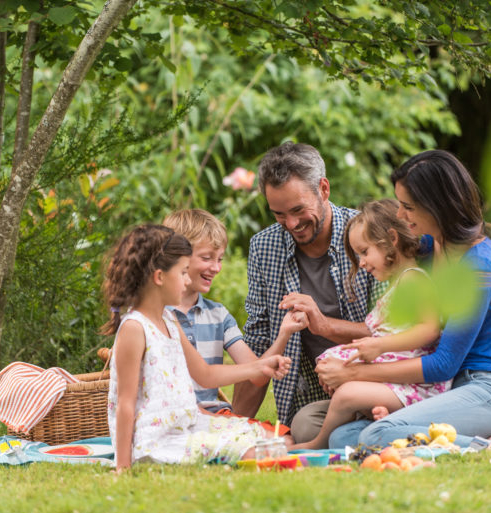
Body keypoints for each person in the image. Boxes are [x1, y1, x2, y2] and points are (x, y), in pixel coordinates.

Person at [314, 149, 491, 449]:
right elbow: (381, 250)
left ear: (437, 206)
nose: (401, 215)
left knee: (375, 435)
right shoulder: (428, 249)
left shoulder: (480, 265)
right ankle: (477, 440)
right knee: (343, 437)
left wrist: (354, 373)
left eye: (408, 207)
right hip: (449, 391)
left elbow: (443, 364)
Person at [102, 224, 293, 472]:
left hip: (186, 425)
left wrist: (261, 365)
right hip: (155, 442)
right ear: (159, 277)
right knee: (255, 452)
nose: (187, 280)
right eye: (183, 273)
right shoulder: (135, 328)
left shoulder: (169, 321)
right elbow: (125, 403)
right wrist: (123, 466)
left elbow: (206, 374)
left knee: (275, 439)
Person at [233, 142, 386, 435]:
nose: (291, 224)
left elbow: (393, 332)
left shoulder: (368, 233)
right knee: (304, 428)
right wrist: (232, 429)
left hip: (377, 386)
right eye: (278, 214)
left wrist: (325, 325)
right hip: (311, 400)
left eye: (298, 209)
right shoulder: (264, 247)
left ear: (324, 189)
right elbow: (259, 341)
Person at [290, 199, 450, 450]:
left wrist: (380, 346)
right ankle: (378, 416)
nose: (362, 262)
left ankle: (317, 444)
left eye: (365, 252)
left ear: (391, 240)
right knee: (335, 370)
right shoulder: (397, 285)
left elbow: (429, 329)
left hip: (419, 387)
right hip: (397, 381)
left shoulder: (413, 281)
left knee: (347, 393)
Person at [162, 209, 307, 413]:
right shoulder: (156, 316)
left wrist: (284, 333)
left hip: (214, 419)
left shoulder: (218, 316)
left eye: (220, 259)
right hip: (173, 418)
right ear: (178, 258)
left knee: (284, 439)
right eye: (207, 258)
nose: (216, 268)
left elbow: (257, 375)